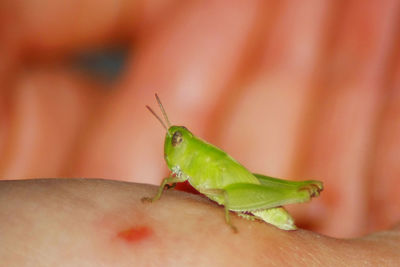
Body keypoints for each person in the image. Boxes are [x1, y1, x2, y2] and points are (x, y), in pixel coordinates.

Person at [1, 1, 399, 265]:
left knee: (229, 193)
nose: (172, 145)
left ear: (185, 144)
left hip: (248, 198)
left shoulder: (197, 161)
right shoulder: (181, 166)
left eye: (177, 139)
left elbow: (216, 189)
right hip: (232, 191)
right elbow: (171, 180)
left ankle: (297, 190)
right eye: (173, 138)